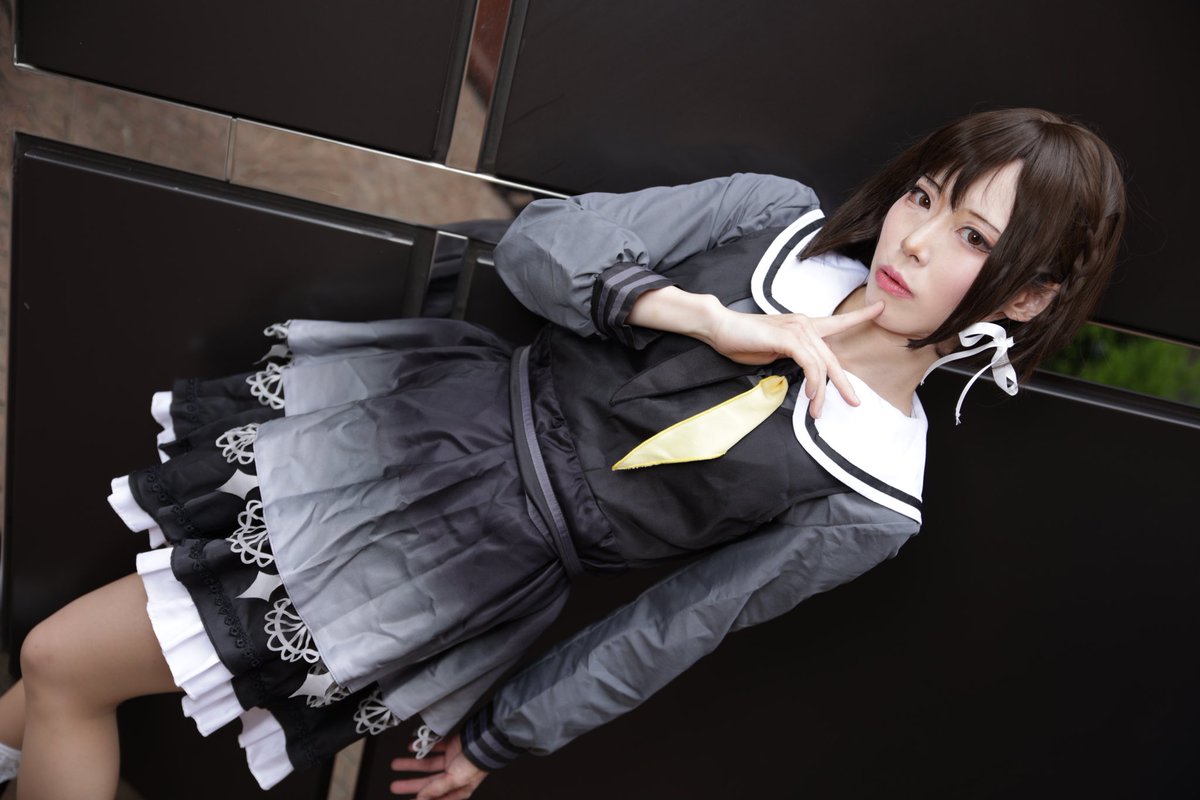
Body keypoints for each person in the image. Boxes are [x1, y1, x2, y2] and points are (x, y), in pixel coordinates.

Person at [0, 107, 1124, 800]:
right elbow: (546, 242)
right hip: (420, 420)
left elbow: (679, 622)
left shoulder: (875, 496)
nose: (915, 239)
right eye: (926, 196)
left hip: (454, 560)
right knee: (60, 678)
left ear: (1026, 296)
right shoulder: (771, 221)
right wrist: (704, 318)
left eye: (971, 237)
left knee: (57, 665)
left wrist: (501, 737)